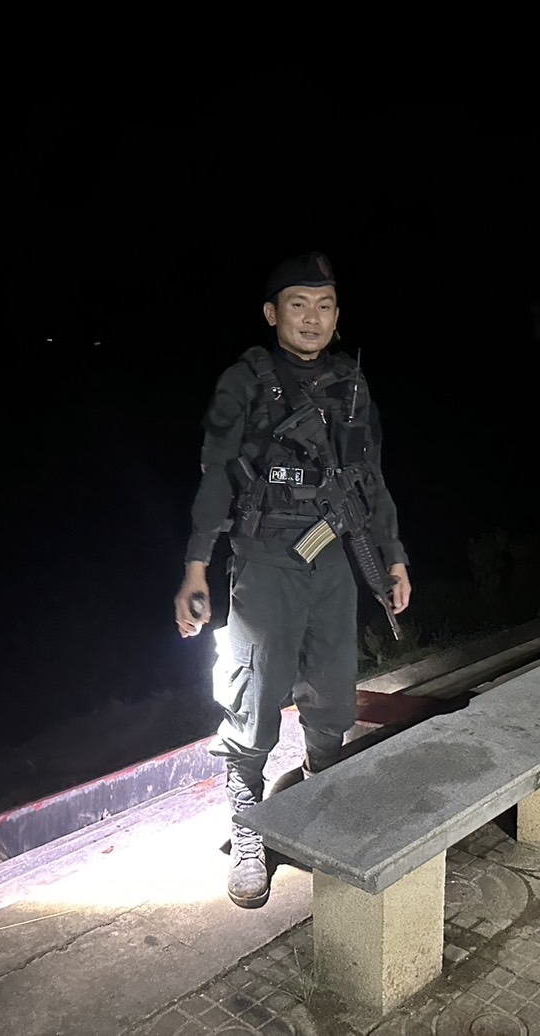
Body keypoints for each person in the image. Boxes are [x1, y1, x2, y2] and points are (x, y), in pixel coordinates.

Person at [173, 251, 412, 909]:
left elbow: (371, 478)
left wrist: (393, 556)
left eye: (324, 306)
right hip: (265, 564)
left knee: (333, 695)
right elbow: (215, 475)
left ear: (337, 315)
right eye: (298, 305)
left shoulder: (352, 384)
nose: (312, 318)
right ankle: (249, 829)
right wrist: (196, 565)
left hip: (332, 560)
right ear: (271, 313)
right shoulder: (244, 381)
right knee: (253, 699)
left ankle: (320, 794)